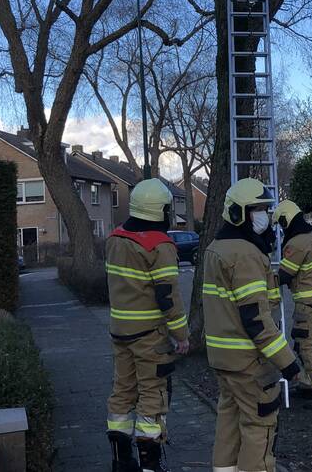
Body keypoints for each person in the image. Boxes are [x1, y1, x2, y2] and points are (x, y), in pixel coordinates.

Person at [204, 178, 300, 472]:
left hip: (223, 360)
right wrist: (288, 363)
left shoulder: (216, 248)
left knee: (229, 423)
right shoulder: (245, 254)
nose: (264, 216)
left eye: (265, 209)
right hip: (249, 363)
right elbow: (257, 321)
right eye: (258, 209)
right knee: (259, 426)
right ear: (238, 213)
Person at [104, 178, 190, 472]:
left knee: (122, 391)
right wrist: (181, 335)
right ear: (160, 210)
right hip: (150, 336)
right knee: (153, 395)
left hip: (119, 331)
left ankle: (121, 461)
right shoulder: (159, 245)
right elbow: (168, 297)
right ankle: (150, 465)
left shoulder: (115, 239)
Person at [274, 200, 312, 409]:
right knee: (311, 347)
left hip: (307, 304)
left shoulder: (296, 243)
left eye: (281, 223)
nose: (282, 228)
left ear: (286, 220)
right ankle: (308, 384)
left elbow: (284, 275)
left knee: (306, 348)